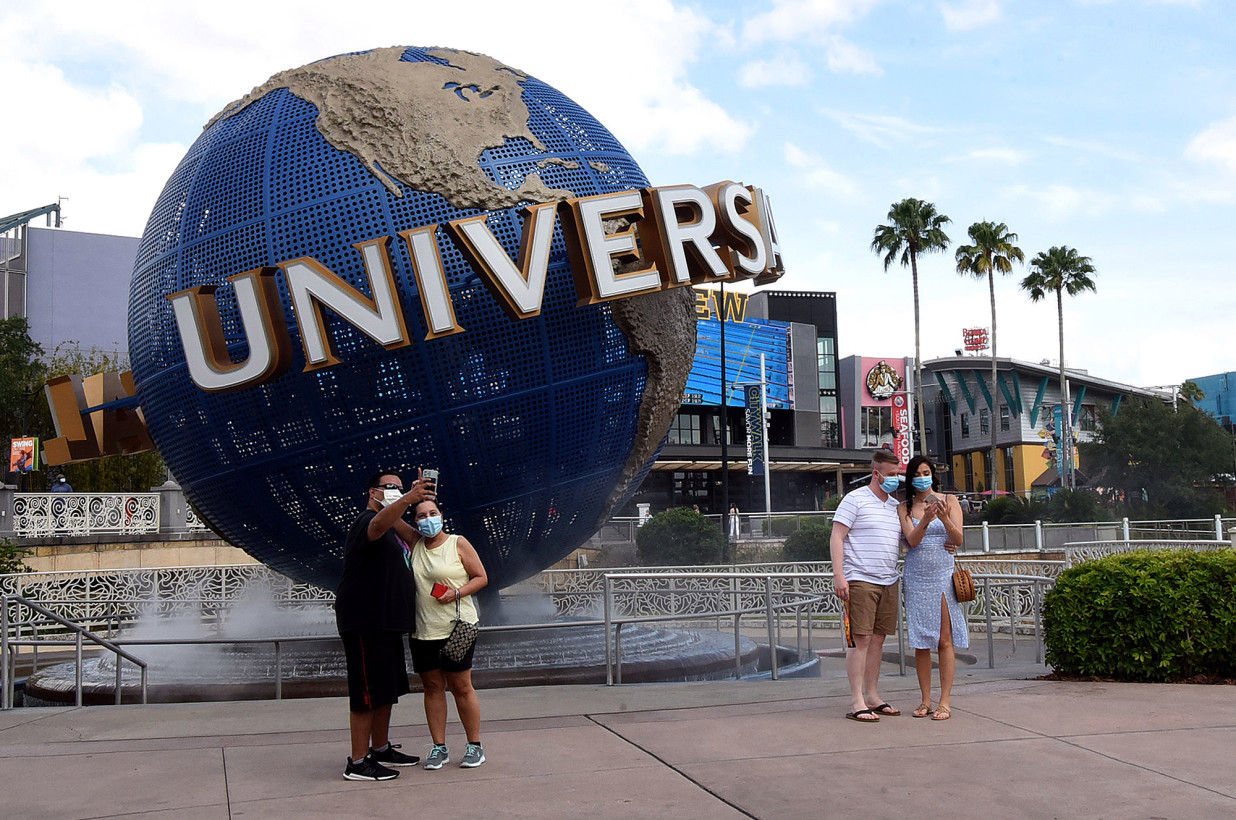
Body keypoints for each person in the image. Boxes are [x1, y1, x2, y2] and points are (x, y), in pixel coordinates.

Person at [335, 470, 435, 781]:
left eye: (399, 487)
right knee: (367, 692)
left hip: (388, 621)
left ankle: (379, 748)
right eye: (388, 487)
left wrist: (423, 504)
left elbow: (418, 540)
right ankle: (358, 761)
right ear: (372, 491)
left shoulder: (392, 524)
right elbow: (377, 525)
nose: (394, 491)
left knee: (385, 690)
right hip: (366, 620)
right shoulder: (366, 521)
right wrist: (407, 498)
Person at [408, 498, 489, 770]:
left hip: (456, 627)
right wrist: (408, 495)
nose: (428, 519)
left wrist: (456, 592)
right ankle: (439, 747)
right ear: (415, 522)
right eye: (421, 515)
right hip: (423, 629)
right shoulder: (415, 544)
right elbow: (390, 517)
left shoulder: (458, 543)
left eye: (433, 513)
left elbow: (480, 576)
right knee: (432, 687)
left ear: (442, 515)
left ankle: (474, 746)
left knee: (461, 686)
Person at [829, 450, 903, 723]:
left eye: (898, 475)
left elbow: (906, 540)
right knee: (860, 639)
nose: (896, 479)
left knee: (879, 639)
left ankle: (872, 695)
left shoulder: (895, 506)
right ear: (877, 473)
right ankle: (856, 699)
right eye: (892, 475)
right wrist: (840, 576)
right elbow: (837, 536)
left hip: (888, 579)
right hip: (860, 579)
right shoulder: (855, 499)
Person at [898, 455, 969, 721]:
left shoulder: (950, 500)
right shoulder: (904, 507)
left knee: (944, 638)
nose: (922, 477)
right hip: (917, 576)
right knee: (921, 640)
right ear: (911, 478)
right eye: (917, 473)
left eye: (926, 472)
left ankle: (945, 701)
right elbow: (912, 541)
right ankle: (925, 699)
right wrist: (926, 519)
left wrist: (944, 517)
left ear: (933, 474)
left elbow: (958, 538)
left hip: (942, 574)